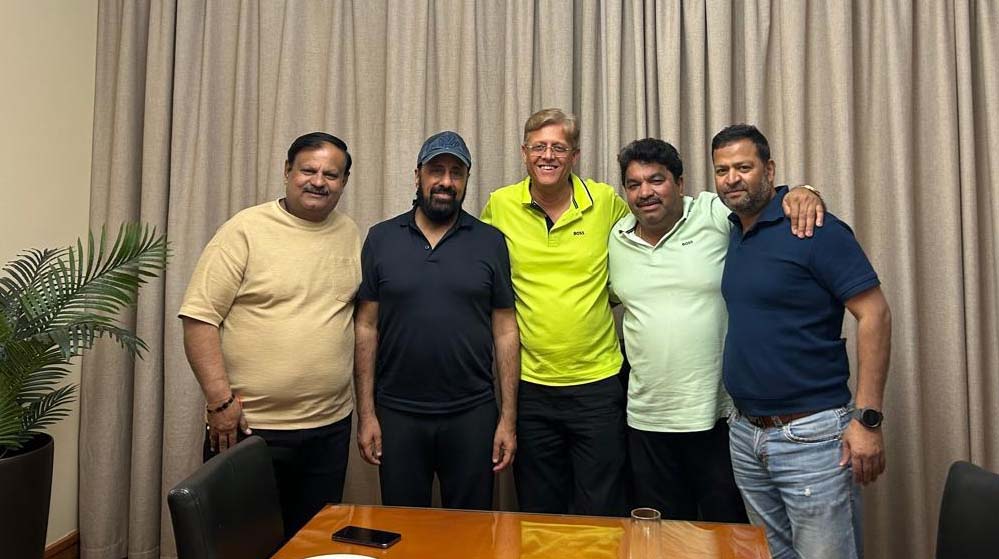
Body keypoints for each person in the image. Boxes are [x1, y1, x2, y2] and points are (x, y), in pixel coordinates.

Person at [608, 138, 823, 522]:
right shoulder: (616, 237)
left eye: (656, 180)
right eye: (634, 184)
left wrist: (806, 191)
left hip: (719, 417)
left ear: (680, 183)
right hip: (646, 419)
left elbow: (764, 205)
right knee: (662, 535)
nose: (645, 193)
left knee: (727, 533)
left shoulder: (712, 212)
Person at [713, 124, 892, 559]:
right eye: (722, 170)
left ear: (770, 170)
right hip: (746, 433)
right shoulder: (732, 229)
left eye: (743, 167)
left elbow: (875, 314)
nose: (732, 179)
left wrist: (868, 420)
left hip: (812, 435)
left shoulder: (815, 229)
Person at [178, 132, 360, 538]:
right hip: (250, 429)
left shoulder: (350, 233)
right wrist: (220, 402)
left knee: (310, 541)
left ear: (344, 182)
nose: (318, 181)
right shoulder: (245, 230)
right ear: (287, 171)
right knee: (242, 542)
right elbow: (199, 319)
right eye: (308, 170)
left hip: (329, 428)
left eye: (331, 174)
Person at [354, 131, 519, 510]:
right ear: (418, 175)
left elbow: (506, 330)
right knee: (403, 528)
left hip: (472, 414)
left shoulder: (490, 242)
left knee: (471, 530)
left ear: (466, 180)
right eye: (436, 170)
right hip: (397, 413)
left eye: (456, 173)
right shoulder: (381, 239)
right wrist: (366, 414)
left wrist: (508, 419)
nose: (446, 181)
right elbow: (366, 326)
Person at [480, 108, 630, 516]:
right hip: (530, 387)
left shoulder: (604, 202)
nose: (548, 156)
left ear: (575, 155)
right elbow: (475, 264)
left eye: (559, 148)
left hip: (597, 384)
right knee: (539, 512)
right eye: (539, 147)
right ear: (524, 153)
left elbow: (650, 234)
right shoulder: (501, 204)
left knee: (602, 510)